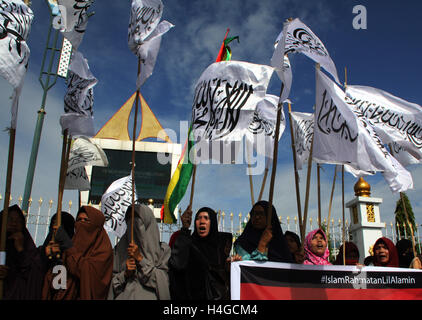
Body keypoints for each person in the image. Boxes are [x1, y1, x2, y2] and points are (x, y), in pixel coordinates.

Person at [42, 206, 113, 300]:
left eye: (86, 220)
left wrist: (70, 250)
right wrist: (57, 260)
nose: (81, 224)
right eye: (79, 220)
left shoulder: (103, 251)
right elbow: (58, 282)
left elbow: (89, 274)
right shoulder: (71, 246)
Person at [108, 204, 171, 300]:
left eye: (137, 218)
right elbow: (111, 286)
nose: (133, 223)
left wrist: (141, 260)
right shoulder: (118, 251)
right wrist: (125, 274)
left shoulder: (162, 250)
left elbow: (162, 283)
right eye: (129, 218)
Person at [169, 206, 230, 300]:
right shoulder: (187, 243)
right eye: (198, 218)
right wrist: (185, 229)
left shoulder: (222, 247)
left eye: (206, 218)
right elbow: (177, 264)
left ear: (212, 222)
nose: (202, 221)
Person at [0, 205, 44, 299]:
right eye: (10, 219)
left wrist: (20, 249)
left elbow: (34, 275)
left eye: (18, 221)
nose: (14, 223)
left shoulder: (29, 248)